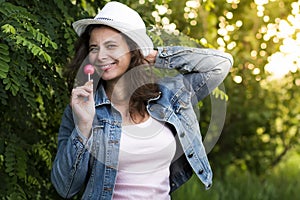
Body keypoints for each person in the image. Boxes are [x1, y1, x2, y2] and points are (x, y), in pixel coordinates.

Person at [51, 1, 233, 199]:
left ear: (133, 49)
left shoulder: (168, 96)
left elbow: (220, 64)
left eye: (111, 46)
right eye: (94, 48)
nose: (100, 56)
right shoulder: (81, 110)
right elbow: (65, 188)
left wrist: (156, 55)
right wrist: (84, 126)